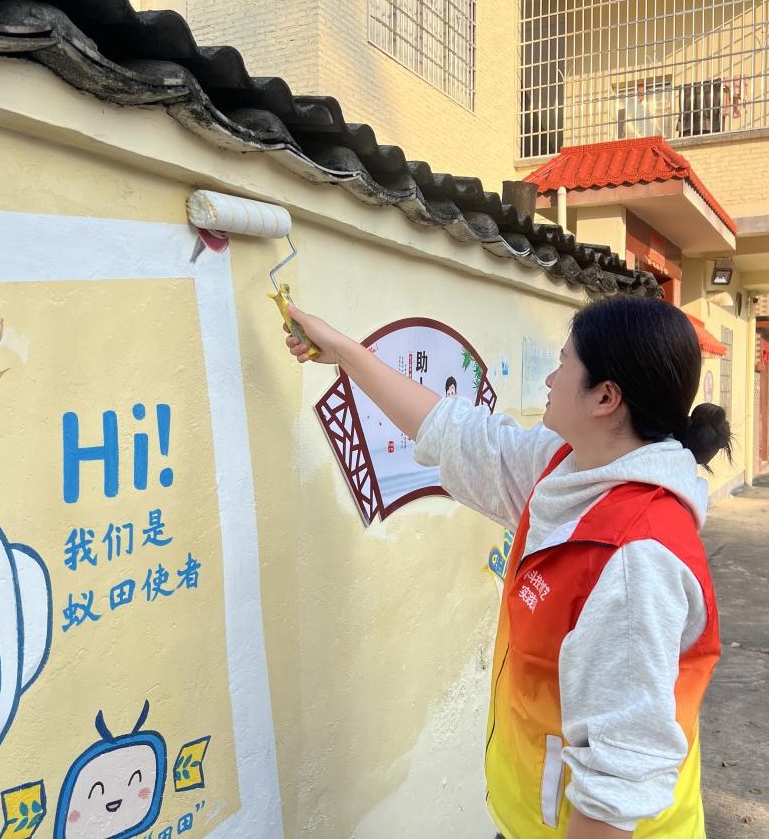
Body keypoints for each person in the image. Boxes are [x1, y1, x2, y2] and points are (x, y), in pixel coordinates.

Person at [284, 296, 731, 839]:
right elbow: (452, 433)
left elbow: (622, 776)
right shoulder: (570, 468)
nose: (550, 379)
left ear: (605, 398)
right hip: (531, 823)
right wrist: (345, 352)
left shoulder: (634, 560)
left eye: (564, 363)